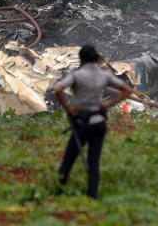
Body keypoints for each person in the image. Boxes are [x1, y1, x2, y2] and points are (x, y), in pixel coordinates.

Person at [54, 45, 133, 199]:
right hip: (99, 122)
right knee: (94, 161)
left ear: (81, 59)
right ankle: (92, 195)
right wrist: (108, 105)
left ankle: (58, 191)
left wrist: (69, 109)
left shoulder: (77, 75)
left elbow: (58, 89)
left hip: (82, 123)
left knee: (69, 158)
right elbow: (127, 90)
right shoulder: (104, 74)